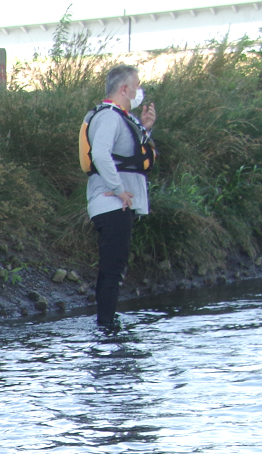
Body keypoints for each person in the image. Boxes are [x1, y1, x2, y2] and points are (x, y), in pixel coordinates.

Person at [82, 64, 156, 333]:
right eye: (137, 84)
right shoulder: (110, 116)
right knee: (114, 269)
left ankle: (106, 324)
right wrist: (118, 189)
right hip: (112, 203)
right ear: (124, 88)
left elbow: (131, 155)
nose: (139, 90)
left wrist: (146, 128)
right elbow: (101, 154)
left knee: (114, 266)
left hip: (117, 203)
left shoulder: (120, 117)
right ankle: (106, 328)